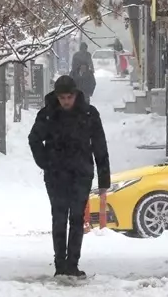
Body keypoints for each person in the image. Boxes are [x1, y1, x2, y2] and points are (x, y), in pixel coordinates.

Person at [28, 75, 110, 278]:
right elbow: (34, 139)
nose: (66, 101)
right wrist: (45, 162)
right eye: (62, 97)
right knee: (59, 218)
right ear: (56, 96)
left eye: (69, 97)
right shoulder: (48, 115)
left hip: (81, 173)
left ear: (75, 95)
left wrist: (103, 180)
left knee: (76, 218)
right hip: (56, 174)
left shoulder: (89, 114)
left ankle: (72, 264)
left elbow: (100, 145)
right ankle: (60, 265)